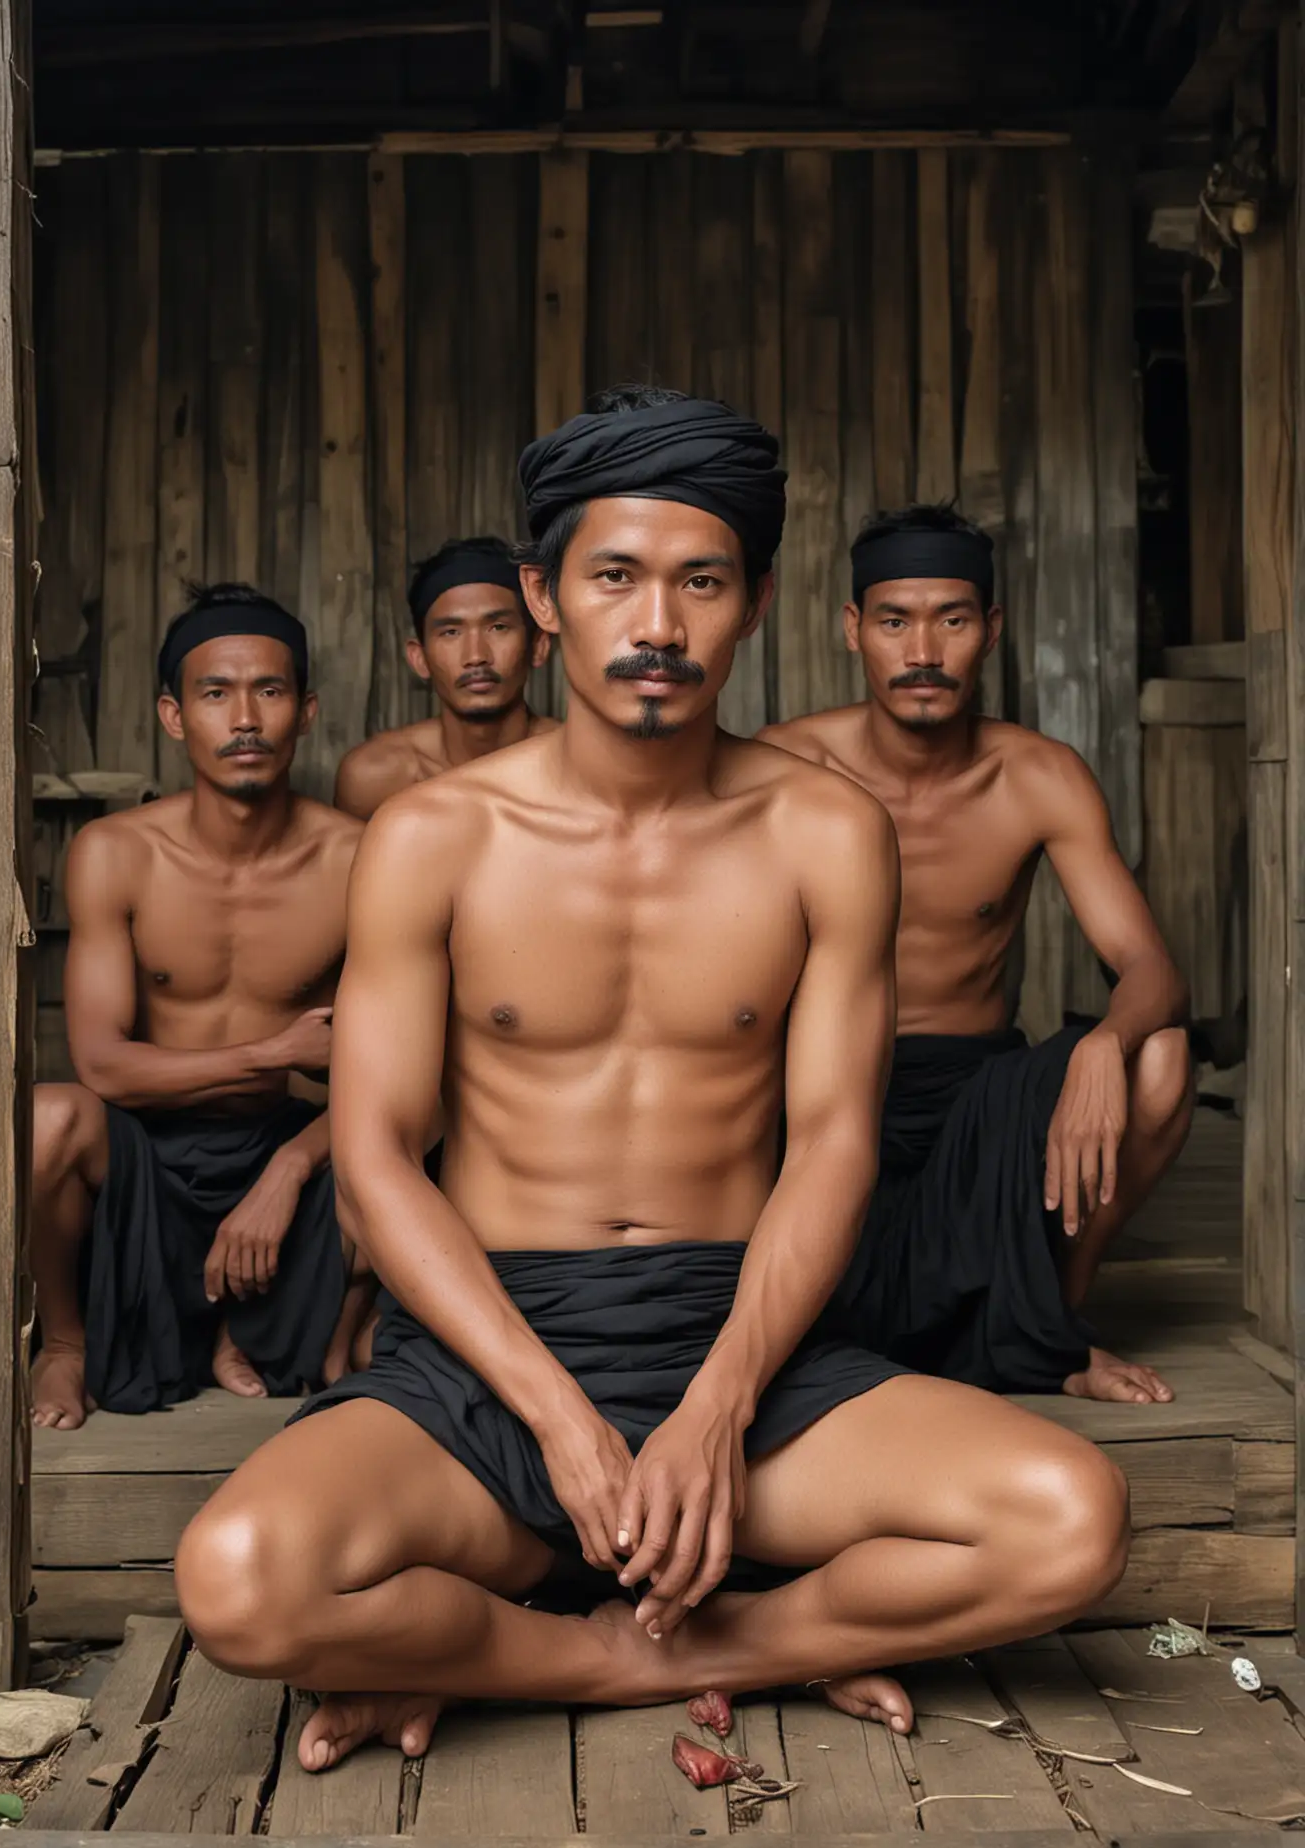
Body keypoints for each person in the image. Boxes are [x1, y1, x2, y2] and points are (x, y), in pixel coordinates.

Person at [175, 390, 1128, 1772]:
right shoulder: (434, 836)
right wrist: (558, 1418)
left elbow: (835, 1148)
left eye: (701, 583)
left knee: (1070, 1518)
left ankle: (678, 1647)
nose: (659, 626)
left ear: (753, 604)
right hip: (496, 1346)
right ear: (544, 596)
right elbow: (376, 1156)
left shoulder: (826, 833)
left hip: (739, 1327)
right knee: (242, 1578)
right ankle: (623, 1651)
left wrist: (719, 1407)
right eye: (615, 578)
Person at [761, 503, 1192, 1406]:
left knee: (1162, 1057)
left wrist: (1099, 1049)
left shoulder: (1037, 776)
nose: (925, 648)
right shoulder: (786, 768)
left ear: (989, 629)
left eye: (952, 619)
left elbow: (1150, 968)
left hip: (973, 1087)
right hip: (829, 1083)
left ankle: (1051, 1331)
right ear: (853, 630)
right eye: (894, 620)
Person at [30, 583, 369, 1430]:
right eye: (216, 693)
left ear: (308, 710)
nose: (245, 717)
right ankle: (65, 1345)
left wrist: (289, 1169)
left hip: (277, 1142)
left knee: (419, 1145)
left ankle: (243, 1329)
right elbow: (103, 1065)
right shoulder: (115, 854)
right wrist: (270, 1052)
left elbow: (403, 1074)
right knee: (45, 1122)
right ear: (176, 717)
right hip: (144, 1150)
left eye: (271, 690)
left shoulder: (357, 859)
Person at [334, 536, 559, 821]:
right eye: (451, 632)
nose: (476, 655)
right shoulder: (376, 778)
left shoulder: (577, 768)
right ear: (419, 658)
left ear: (538, 645)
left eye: (498, 627)